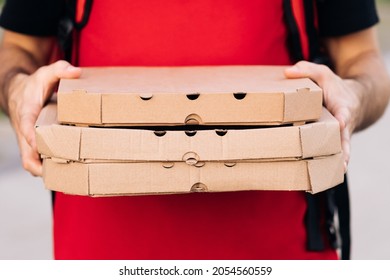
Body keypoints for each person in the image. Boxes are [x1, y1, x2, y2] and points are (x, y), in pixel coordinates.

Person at [0, 0, 389, 260]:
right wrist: (18, 91)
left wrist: (353, 95)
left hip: (282, 248)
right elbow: (16, 50)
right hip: (98, 251)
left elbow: (363, 60)